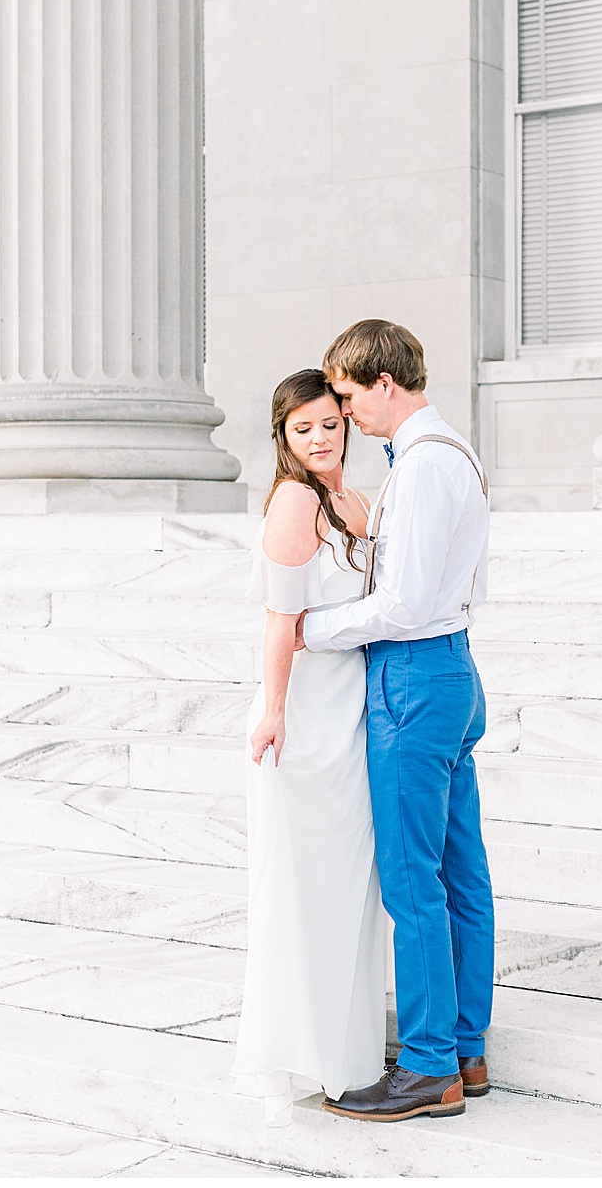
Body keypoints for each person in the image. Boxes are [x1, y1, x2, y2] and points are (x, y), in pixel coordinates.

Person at [295, 319, 495, 1124]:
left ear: (384, 383)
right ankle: (465, 1047)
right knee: (459, 871)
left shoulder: (419, 468)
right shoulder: (454, 453)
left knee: (413, 878)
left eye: (347, 396)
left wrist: (312, 628)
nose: (343, 413)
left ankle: (427, 1064)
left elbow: (403, 605)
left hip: (414, 675)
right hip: (452, 668)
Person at [231, 368, 389, 1127]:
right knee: (302, 888)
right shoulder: (295, 502)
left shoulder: (355, 502)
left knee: (348, 889)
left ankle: (349, 1054)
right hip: (302, 719)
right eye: (304, 429)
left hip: (351, 714)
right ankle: (304, 1054)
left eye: (330, 423)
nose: (321, 438)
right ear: (284, 437)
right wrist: (274, 712)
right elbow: (280, 620)